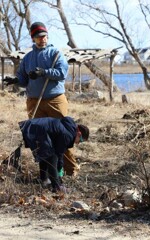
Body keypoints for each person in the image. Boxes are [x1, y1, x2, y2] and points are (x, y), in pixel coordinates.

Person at [3, 22, 79, 176]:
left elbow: (61, 73)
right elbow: (23, 79)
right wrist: (16, 81)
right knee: (39, 138)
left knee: (63, 135)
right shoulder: (28, 58)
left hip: (55, 100)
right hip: (34, 102)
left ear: (47, 36)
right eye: (38, 37)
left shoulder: (56, 54)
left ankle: (70, 170)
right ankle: (46, 173)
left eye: (44, 36)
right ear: (33, 39)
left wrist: (44, 72)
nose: (42, 39)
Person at [19, 116, 89, 192]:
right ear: (79, 133)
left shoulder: (68, 128)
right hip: (36, 131)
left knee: (46, 153)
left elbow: (58, 150)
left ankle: (44, 179)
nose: (78, 143)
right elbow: (59, 154)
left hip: (32, 127)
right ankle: (57, 187)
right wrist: (59, 169)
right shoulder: (68, 135)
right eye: (81, 140)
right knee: (52, 158)